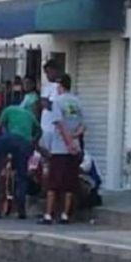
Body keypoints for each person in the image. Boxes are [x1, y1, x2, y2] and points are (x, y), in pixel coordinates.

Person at [0, 97, 41, 219]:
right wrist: (33, 141)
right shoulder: (30, 115)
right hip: (25, 144)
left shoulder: (8, 110)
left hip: (10, 140)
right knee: (22, 175)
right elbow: (39, 130)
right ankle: (21, 205)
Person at [42, 74, 85, 224]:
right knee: (69, 184)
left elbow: (60, 125)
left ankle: (48, 214)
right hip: (74, 148)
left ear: (60, 86)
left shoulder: (57, 102)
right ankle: (65, 215)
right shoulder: (77, 101)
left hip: (60, 148)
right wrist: (74, 139)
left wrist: (68, 143)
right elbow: (82, 126)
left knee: (53, 183)